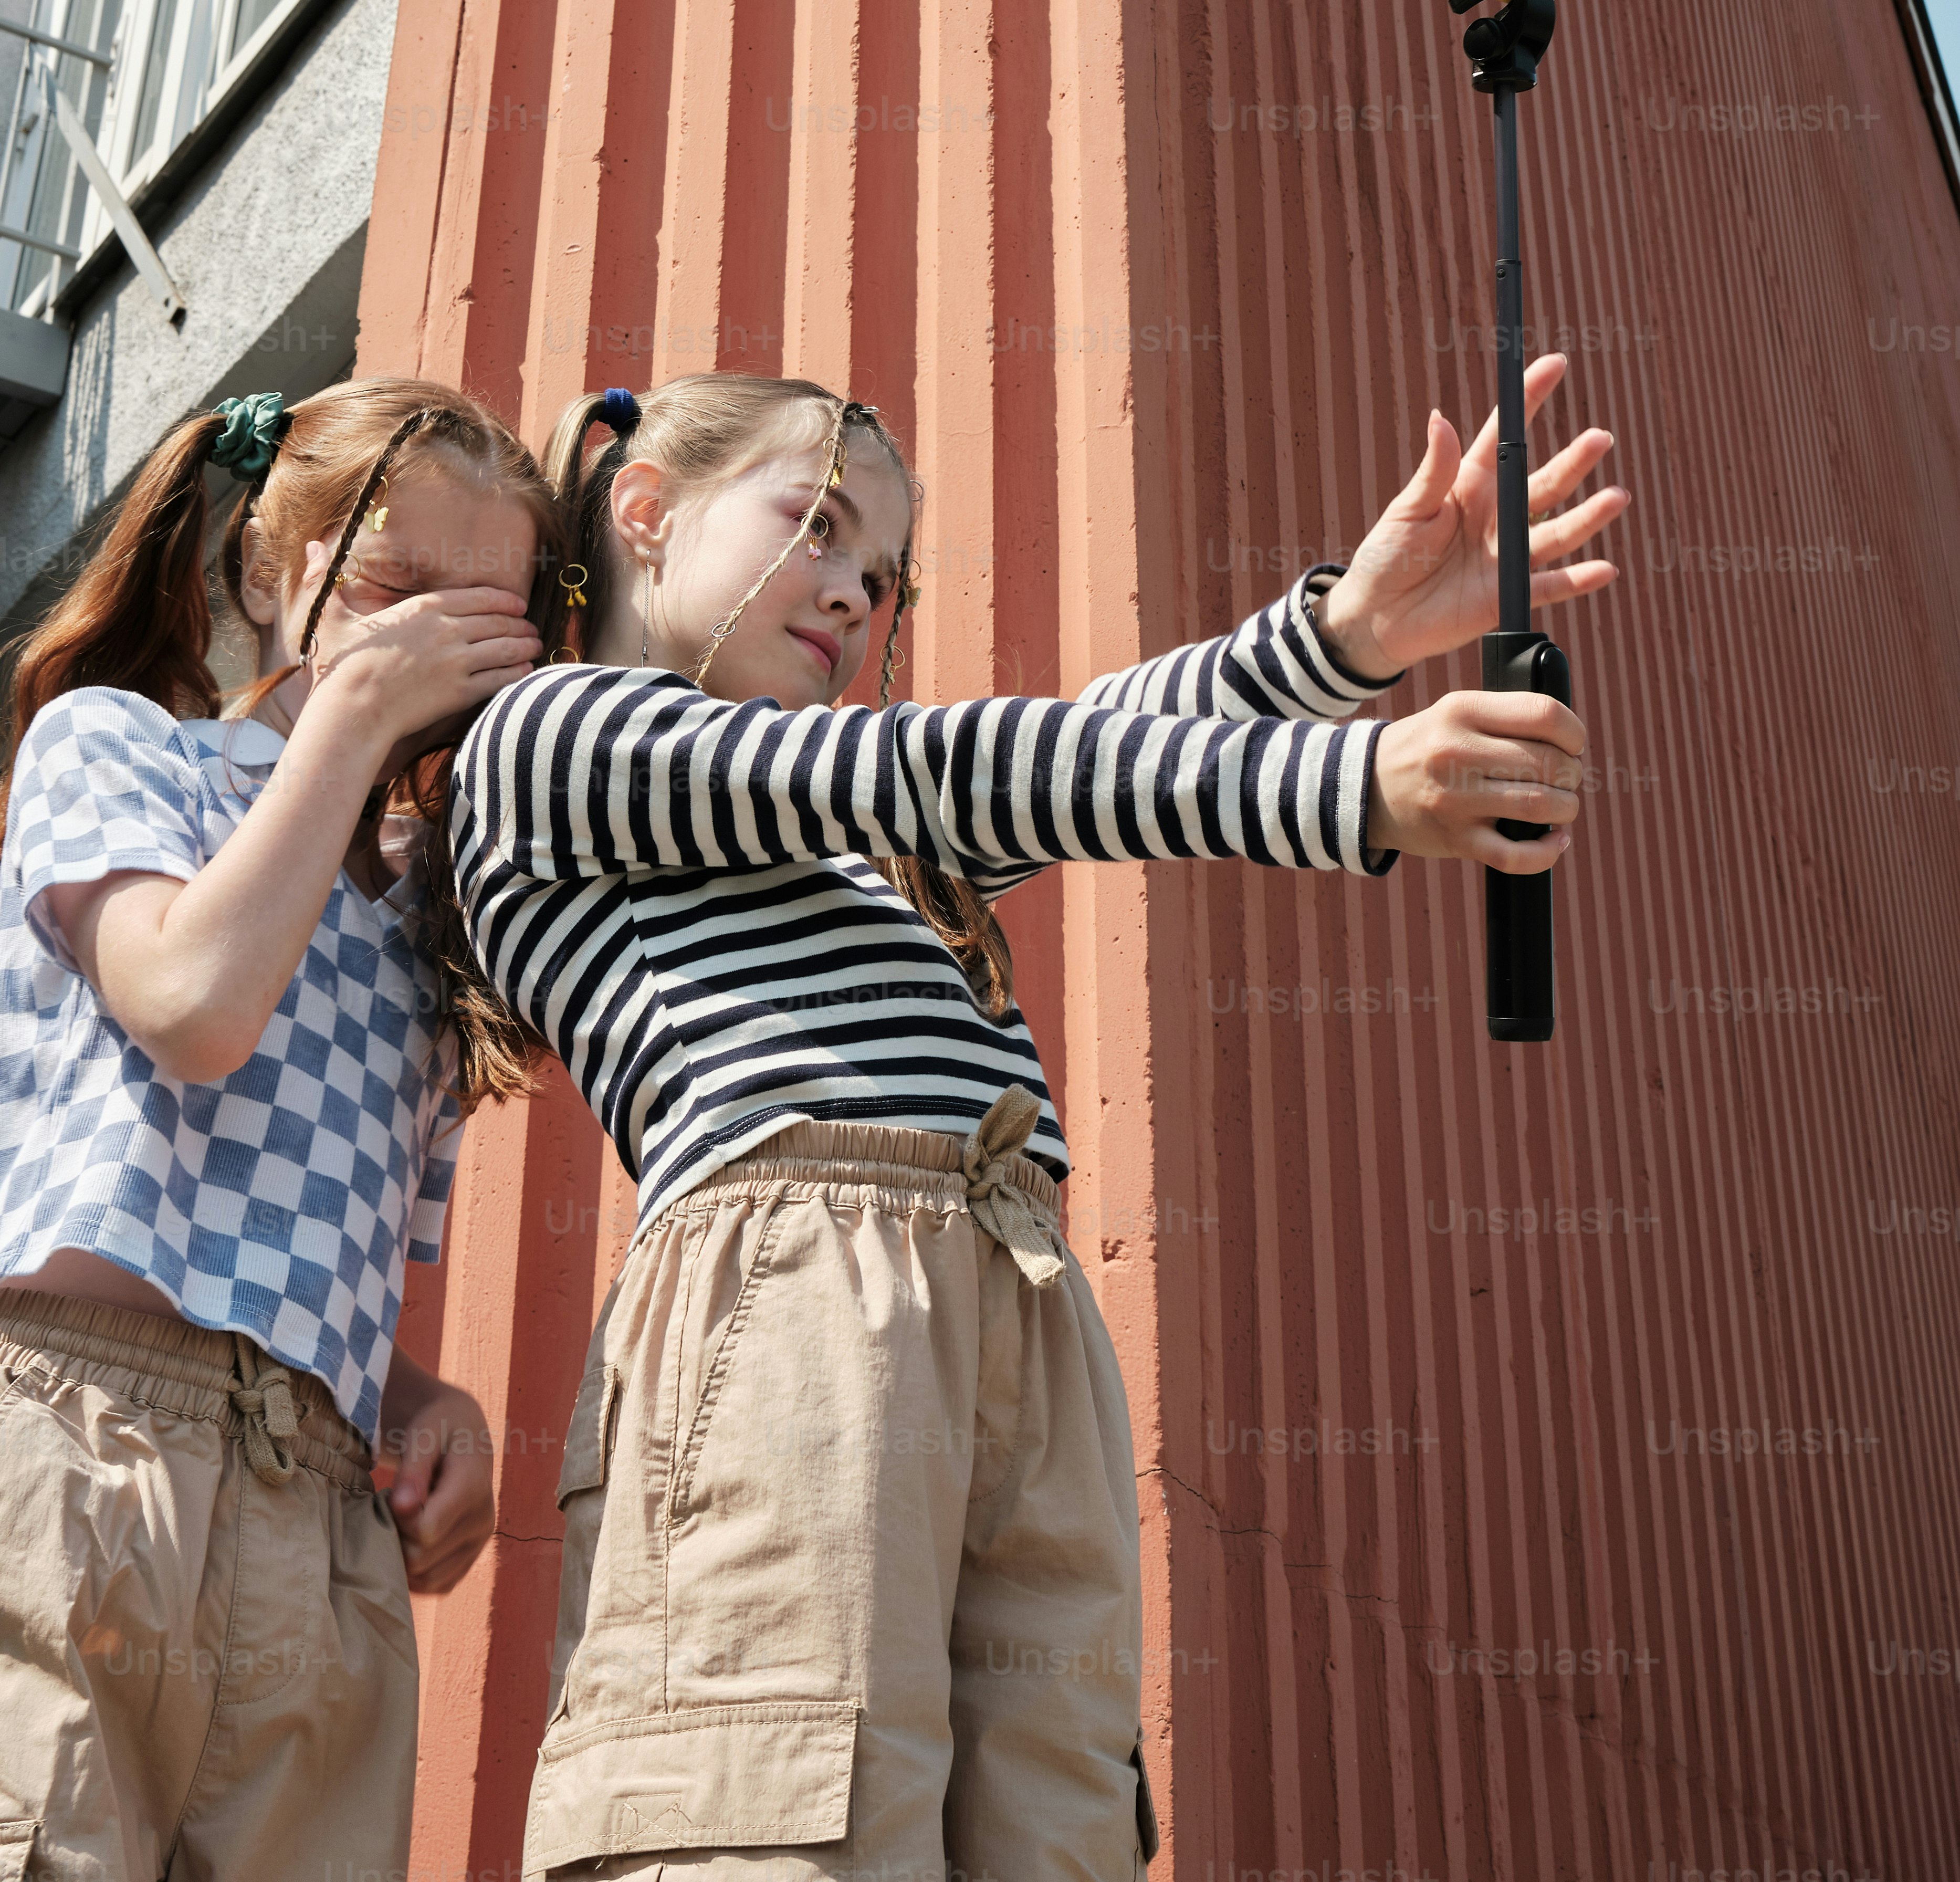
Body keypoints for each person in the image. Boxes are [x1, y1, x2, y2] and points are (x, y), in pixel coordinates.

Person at [452, 363, 1626, 1882]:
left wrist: (1341, 642)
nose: (853, 592)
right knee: (776, 1810)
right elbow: (934, 766)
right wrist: (1350, 784)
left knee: (1049, 1829)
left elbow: (1079, 746)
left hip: (1012, 1292)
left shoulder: (852, 855)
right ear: (648, 516)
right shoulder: (557, 740)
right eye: (813, 527)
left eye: (880, 573)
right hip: (800, 1288)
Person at [0, 379, 558, 1882]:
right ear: (269, 569)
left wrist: (419, 1397)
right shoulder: (122, 749)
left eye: (480, 629)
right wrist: (357, 712)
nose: (426, 652)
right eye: (391, 596)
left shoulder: (428, 923)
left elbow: (295, 1260)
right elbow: (192, 1003)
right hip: (83, 1454)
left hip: (313, 1518)